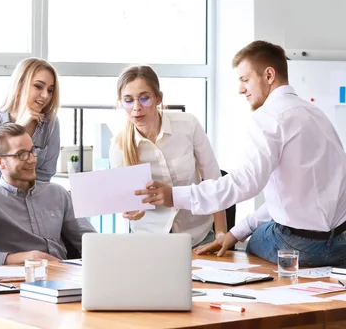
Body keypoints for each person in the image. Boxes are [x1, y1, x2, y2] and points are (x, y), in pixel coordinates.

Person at [140, 40, 346, 266]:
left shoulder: (269, 116)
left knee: (256, 241)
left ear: (269, 75)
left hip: (298, 247)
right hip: (340, 243)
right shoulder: (317, 114)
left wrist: (174, 196)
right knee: (260, 228)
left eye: (245, 80)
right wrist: (234, 233)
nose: (240, 89)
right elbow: (288, 203)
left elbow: (245, 183)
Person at [109, 66, 226, 247]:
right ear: (121, 103)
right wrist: (131, 210)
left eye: (144, 98)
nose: (136, 108)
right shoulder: (118, 146)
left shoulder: (188, 125)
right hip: (149, 240)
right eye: (128, 100)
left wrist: (221, 235)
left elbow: (214, 181)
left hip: (198, 237)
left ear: (158, 99)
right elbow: (127, 201)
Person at [0, 123, 95, 265]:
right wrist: (26, 258)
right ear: (0, 162)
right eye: (21, 154)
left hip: (63, 275)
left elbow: (91, 242)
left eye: (32, 151)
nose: (32, 159)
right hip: (17, 280)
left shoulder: (58, 193)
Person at [0, 58, 61, 182]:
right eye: (38, 86)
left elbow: (46, 174)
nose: (45, 95)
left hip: (36, 196)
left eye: (50, 90)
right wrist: (19, 126)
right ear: (20, 84)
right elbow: (0, 173)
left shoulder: (50, 123)